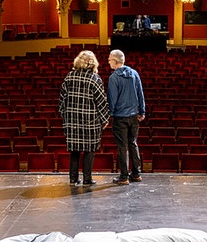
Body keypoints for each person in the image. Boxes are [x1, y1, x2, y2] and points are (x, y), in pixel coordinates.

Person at [59, 50, 110, 186]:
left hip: (72, 121)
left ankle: (73, 178)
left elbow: (62, 100)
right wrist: (105, 119)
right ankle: (87, 179)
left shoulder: (69, 77)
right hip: (90, 121)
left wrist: (64, 115)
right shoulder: (94, 79)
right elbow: (101, 101)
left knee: (74, 150)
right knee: (89, 149)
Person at [106, 49, 146, 185]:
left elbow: (112, 99)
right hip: (134, 116)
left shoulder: (114, 78)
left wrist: (108, 115)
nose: (108, 61)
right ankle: (136, 174)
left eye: (110, 59)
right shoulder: (134, 73)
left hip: (120, 117)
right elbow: (140, 93)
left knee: (122, 146)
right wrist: (142, 111)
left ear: (116, 61)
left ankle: (124, 176)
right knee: (133, 144)